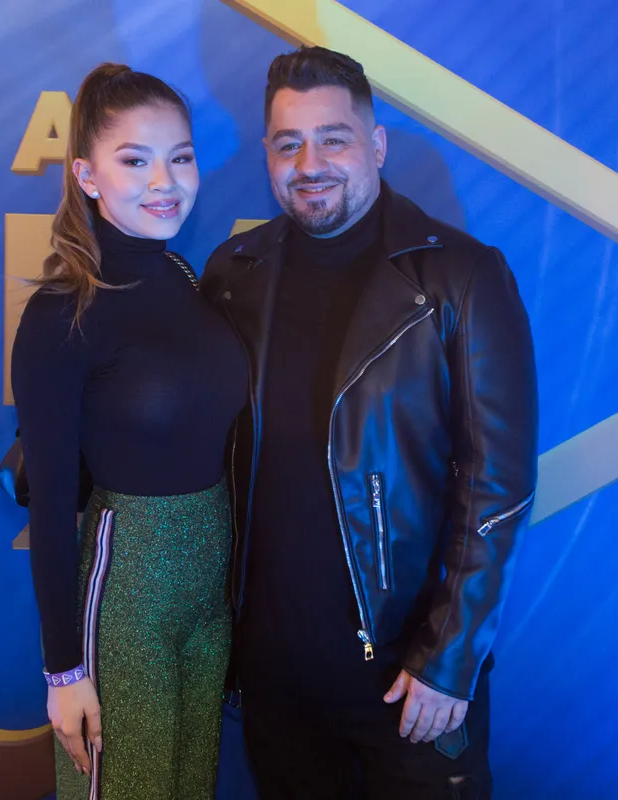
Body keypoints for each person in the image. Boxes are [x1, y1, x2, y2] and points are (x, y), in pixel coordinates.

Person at [200, 46, 539, 799]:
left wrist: (450, 659)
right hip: (275, 685)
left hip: (409, 682)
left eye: (334, 139)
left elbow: (501, 486)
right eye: (288, 143)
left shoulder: (461, 277)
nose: (309, 164)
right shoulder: (233, 275)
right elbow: (173, 406)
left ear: (376, 145)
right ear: (267, 154)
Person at [10, 63, 247, 800]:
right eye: (135, 160)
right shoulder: (62, 313)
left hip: (208, 596)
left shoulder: (185, 276)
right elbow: (52, 508)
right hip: (126, 596)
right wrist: (64, 673)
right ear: (87, 175)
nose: (164, 182)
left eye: (180, 157)